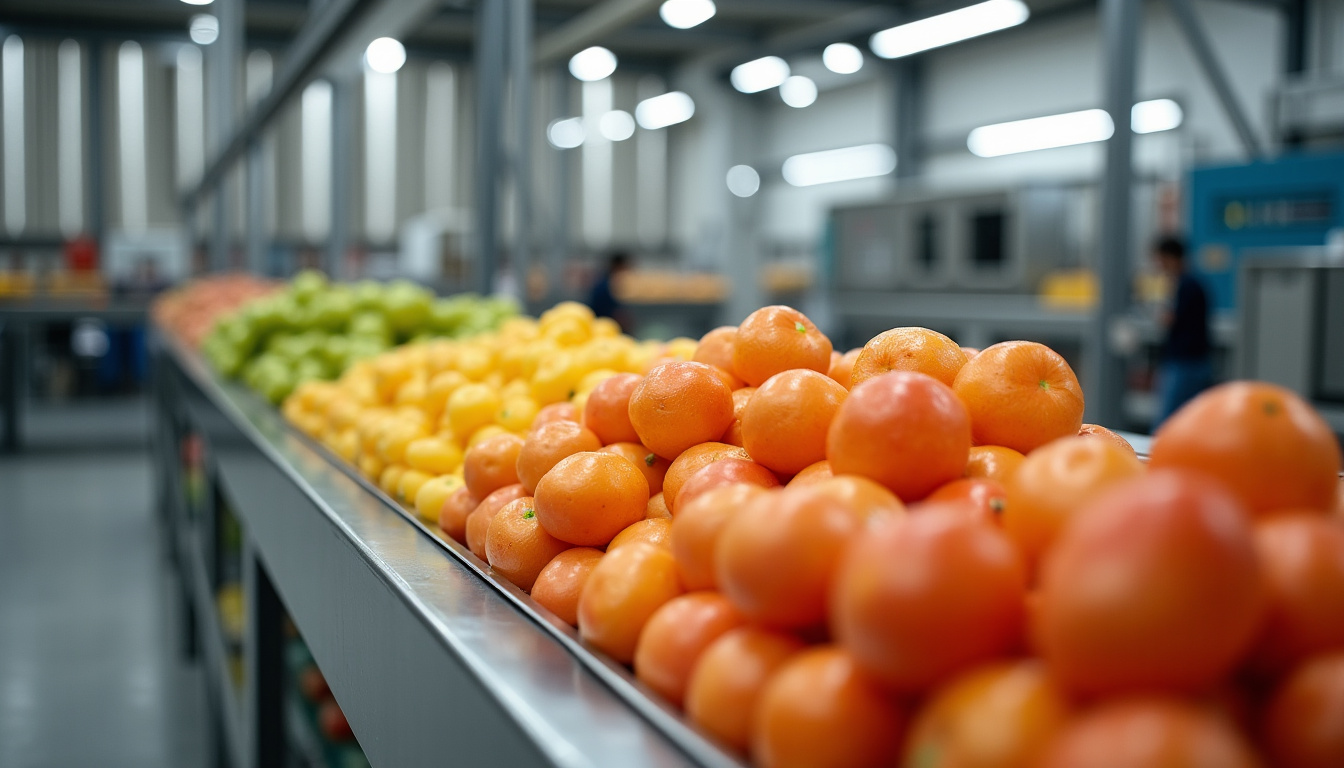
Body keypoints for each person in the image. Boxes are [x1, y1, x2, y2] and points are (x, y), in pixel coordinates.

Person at [1153, 235, 1212, 429]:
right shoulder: (1196, 283)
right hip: (1197, 360)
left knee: (1166, 421)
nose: (1159, 265)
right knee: (1191, 420)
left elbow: (1171, 319)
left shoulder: (1185, 285)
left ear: (1171, 257)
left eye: (1160, 259)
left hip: (1183, 362)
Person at [587, 251, 633, 332]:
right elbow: (601, 308)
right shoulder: (605, 285)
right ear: (618, 266)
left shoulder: (606, 282)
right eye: (624, 268)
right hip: (602, 327)